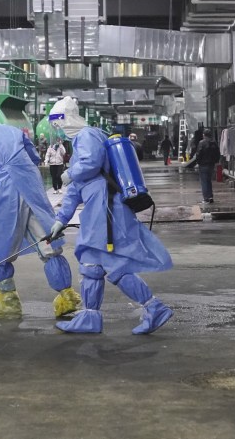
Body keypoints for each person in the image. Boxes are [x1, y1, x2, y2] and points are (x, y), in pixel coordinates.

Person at [47, 97, 174, 334]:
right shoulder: (80, 142)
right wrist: (60, 219)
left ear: (69, 117)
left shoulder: (87, 135)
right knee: (94, 263)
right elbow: (76, 189)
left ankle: (151, 307)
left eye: (59, 121)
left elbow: (91, 164)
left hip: (105, 209)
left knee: (105, 262)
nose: (59, 128)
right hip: (100, 208)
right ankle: (92, 316)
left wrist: (70, 172)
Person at [0, 108, 81, 320]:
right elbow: (32, 153)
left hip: (3, 190)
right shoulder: (6, 129)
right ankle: (66, 295)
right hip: (29, 181)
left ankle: (7, 298)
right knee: (45, 239)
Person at [195, 129, 220, 205]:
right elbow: (218, 154)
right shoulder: (214, 143)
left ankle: (206, 199)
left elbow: (198, 154)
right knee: (209, 181)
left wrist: (198, 162)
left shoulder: (201, 143)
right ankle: (210, 197)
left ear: (204, 135)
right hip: (211, 165)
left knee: (204, 182)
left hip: (203, 165)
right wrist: (215, 162)